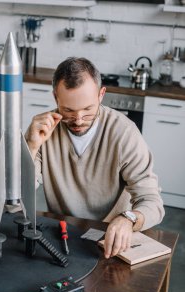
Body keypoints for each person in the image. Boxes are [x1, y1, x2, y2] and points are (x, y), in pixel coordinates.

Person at [25, 57, 164, 259]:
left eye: (88, 110)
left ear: (101, 95)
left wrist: (128, 219)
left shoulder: (124, 133)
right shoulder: (43, 132)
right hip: (62, 236)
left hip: (111, 240)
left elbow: (152, 202)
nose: (79, 120)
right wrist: (30, 146)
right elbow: (14, 203)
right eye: (69, 111)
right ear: (56, 98)